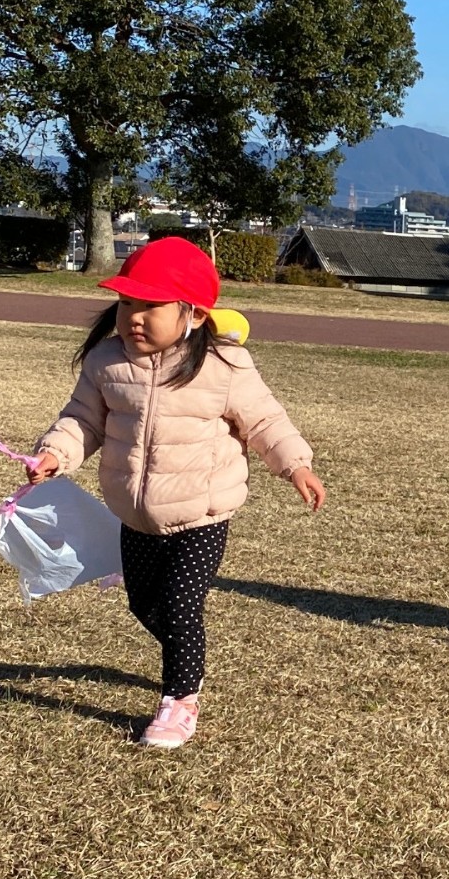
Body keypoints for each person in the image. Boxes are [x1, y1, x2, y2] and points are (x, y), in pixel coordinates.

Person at [26, 237, 326, 747]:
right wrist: (55, 454)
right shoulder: (106, 362)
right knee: (145, 606)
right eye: (126, 304)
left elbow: (266, 421)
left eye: (150, 306)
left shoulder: (223, 366)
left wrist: (295, 464)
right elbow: (81, 422)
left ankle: (180, 699)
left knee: (181, 603)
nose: (134, 318)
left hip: (202, 515)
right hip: (136, 515)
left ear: (191, 312)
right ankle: (188, 657)